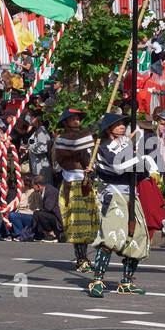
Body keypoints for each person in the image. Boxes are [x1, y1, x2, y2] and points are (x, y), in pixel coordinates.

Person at [86, 112, 152, 296]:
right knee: (110, 237)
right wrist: (139, 160)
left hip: (132, 193)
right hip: (114, 193)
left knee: (138, 237)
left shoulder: (127, 145)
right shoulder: (103, 148)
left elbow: (143, 170)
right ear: (109, 129)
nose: (123, 126)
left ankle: (126, 281)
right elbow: (117, 168)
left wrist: (139, 161)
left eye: (123, 123)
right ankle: (97, 280)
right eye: (118, 124)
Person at [54, 108, 98, 273]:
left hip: (86, 183)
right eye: (72, 119)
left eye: (78, 118)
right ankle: (81, 259)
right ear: (65, 122)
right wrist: (96, 129)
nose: (77, 121)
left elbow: (86, 154)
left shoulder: (84, 139)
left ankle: (84, 258)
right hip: (72, 185)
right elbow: (74, 146)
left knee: (88, 223)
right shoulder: (63, 140)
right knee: (78, 224)